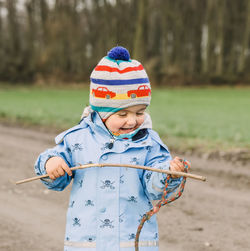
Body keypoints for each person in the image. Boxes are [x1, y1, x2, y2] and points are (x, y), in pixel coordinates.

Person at [34, 46, 190, 251]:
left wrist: (169, 173)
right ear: (101, 110)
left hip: (132, 241)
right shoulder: (77, 139)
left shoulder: (148, 142)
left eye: (140, 111)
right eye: (122, 114)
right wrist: (50, 164)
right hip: (87, 242)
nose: (133, 121)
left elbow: (155, 189)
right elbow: (57, 176)